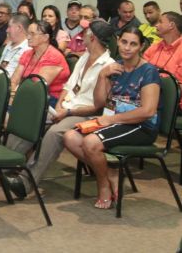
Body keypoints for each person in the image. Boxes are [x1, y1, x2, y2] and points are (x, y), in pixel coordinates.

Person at [5, 19, 116, 199]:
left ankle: (25, 182)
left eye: (86, 34)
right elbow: (69, 85)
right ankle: (4, 163)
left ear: (93, 38)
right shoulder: (85, 57)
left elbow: (98, 105)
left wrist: (68, 112)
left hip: (87, 113)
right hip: (67, 107)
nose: (82, 36)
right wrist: (59, 105)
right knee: (31, 119)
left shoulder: (108, 65)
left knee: (54, 133)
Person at [63, 27, 161, 209]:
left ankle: (103, 186)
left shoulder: (149, 71)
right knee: (70, 137)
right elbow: (100, 102)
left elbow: (148, 111)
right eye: (124, 42)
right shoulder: (115, 67)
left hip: (141, 126)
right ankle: (111, 174)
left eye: (133, 44)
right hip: (114, 121)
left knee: (91, 143)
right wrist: (102, 76)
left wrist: (112, 120)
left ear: (140, 47)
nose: (127, 48)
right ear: (118, 41)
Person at [143, 12, 182, 118]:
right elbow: (140, 71)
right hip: (148, 98)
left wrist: (153, 91)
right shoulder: (154, 47)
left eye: (160, 22)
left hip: (174, 104)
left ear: (171, 25)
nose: (156, 25)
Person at [9, 21, 70, 107]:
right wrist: (11, 96)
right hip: (24, 95)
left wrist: (14, 99)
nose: (28, 37)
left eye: (33, 34)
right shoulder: (27, 53)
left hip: (49, 99)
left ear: (45, 37)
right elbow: (14, 80)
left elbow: (37, 89)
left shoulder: (54, 57)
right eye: (28, 33)